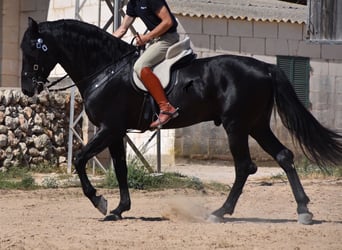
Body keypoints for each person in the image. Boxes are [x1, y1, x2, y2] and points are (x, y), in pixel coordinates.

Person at [113, 0, 179, 129]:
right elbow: (122, 29)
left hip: (168, 39)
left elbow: (168, 21)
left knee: (140, 66)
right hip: (155, 40)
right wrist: (103, 41)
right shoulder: (133, 3)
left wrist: (147, 37)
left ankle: (166, 107)